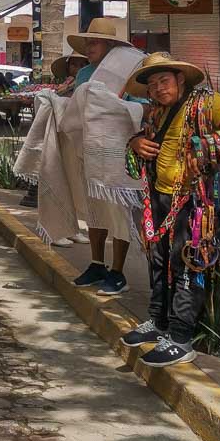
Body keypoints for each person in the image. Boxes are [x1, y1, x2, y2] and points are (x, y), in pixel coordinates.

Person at [124, 52, 220, 367]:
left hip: (195, 202)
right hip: (159, 198)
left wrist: (202, 148)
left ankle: (181, 338)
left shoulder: (209, 103)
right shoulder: (155, 112)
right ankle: (158, 322)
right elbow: (147, 145)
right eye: (152, 84)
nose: (158, 88)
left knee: (187, 265)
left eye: (163, 81)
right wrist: (135, 143)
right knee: (158, 261)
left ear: (180, 79)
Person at [62, 18, 140, 292]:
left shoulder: (129, 72)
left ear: (110, 46)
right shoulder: (84, 75)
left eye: (93, 42)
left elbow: (138, 108)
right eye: (87, 42)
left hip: (117, 152)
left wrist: (109, 107)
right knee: (94, 209)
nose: (88, 47)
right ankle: (97, 263)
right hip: (89, 150)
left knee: (118, 211)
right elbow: (76, 107)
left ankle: (117, 272)